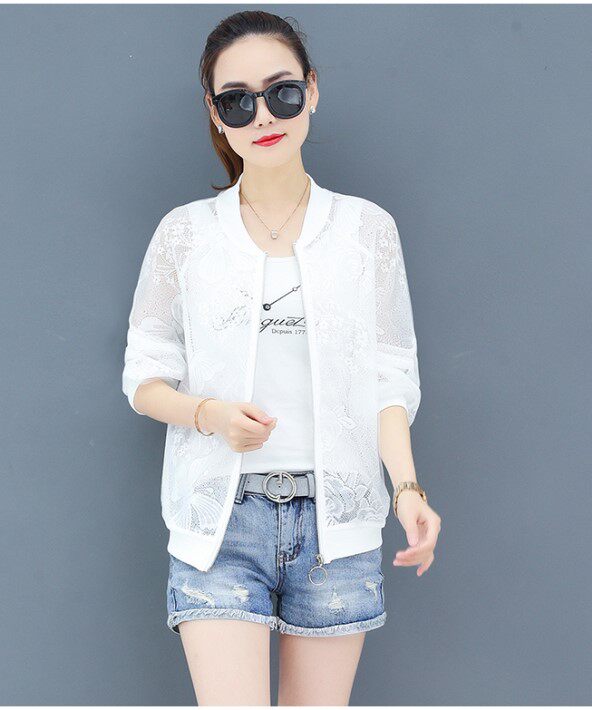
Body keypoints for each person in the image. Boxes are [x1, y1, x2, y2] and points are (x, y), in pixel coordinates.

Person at [122, 10, 442, 706]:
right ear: (216, 114)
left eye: (282, 92)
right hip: (219, 520)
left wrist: (408, 490)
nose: (263, 115)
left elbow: (390, 380)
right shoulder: (185, 235)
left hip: (338, 523)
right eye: (237, 100)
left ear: (312, 90)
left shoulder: (366, 231)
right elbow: (144, 379)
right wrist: (209, 414)